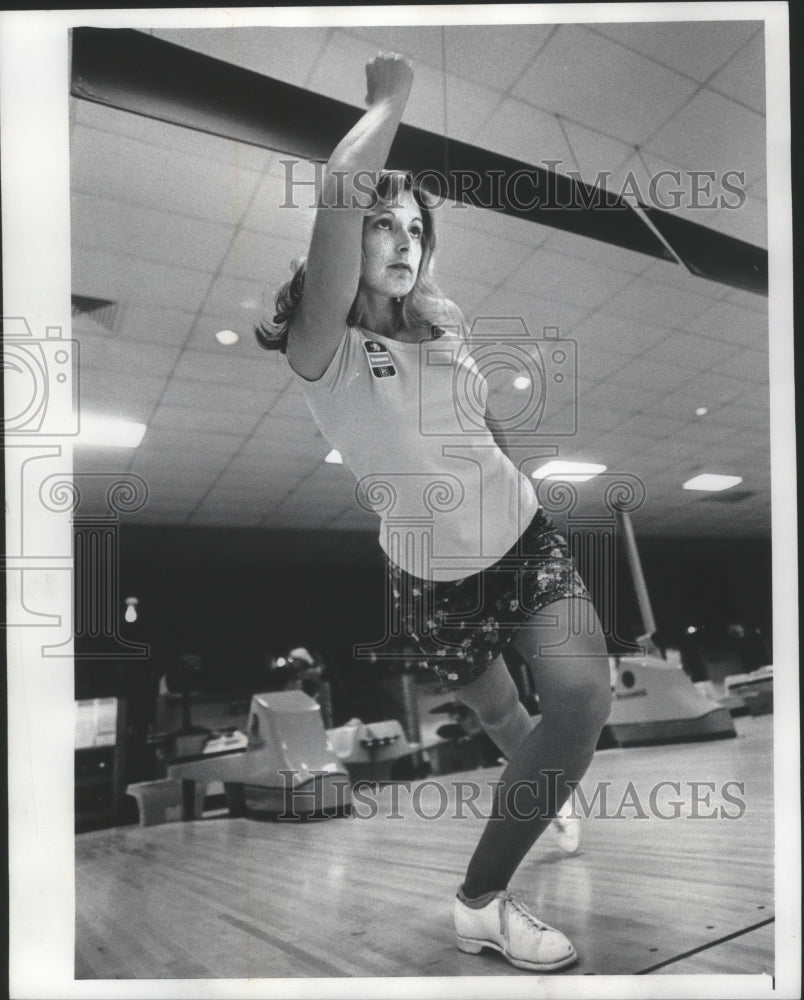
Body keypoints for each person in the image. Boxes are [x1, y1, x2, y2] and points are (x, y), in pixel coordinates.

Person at [256, 53, 610, 973]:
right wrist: (391, 99)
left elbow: (476, 419)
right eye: (384, 225)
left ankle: (482, 902)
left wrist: (511, 477)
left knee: (580, 700)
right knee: (504, 721)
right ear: (349, 244)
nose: (403, 240)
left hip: (524, 543)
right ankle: (540, 796)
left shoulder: (443, 322)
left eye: (415, 228)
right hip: (432, 580)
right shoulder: (321, 349)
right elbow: (341, 186)